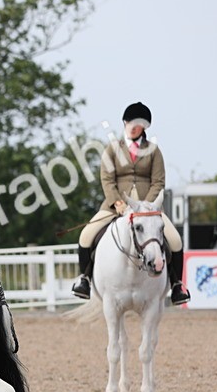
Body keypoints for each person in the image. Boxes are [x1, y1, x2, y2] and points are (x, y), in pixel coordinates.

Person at [71, 103, 190, 305]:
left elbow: (158, 181)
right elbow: (107, 179)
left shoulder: (153, 150)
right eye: (131, 123)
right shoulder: (112, 149)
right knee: (86, 235)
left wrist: (148, 206)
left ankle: (177, 285)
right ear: (125, 123)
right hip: (116, 205)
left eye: (139, 124)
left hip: (149, 209)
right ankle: (85, 279)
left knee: (175, 240)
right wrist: (117, 202)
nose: (134, 128)